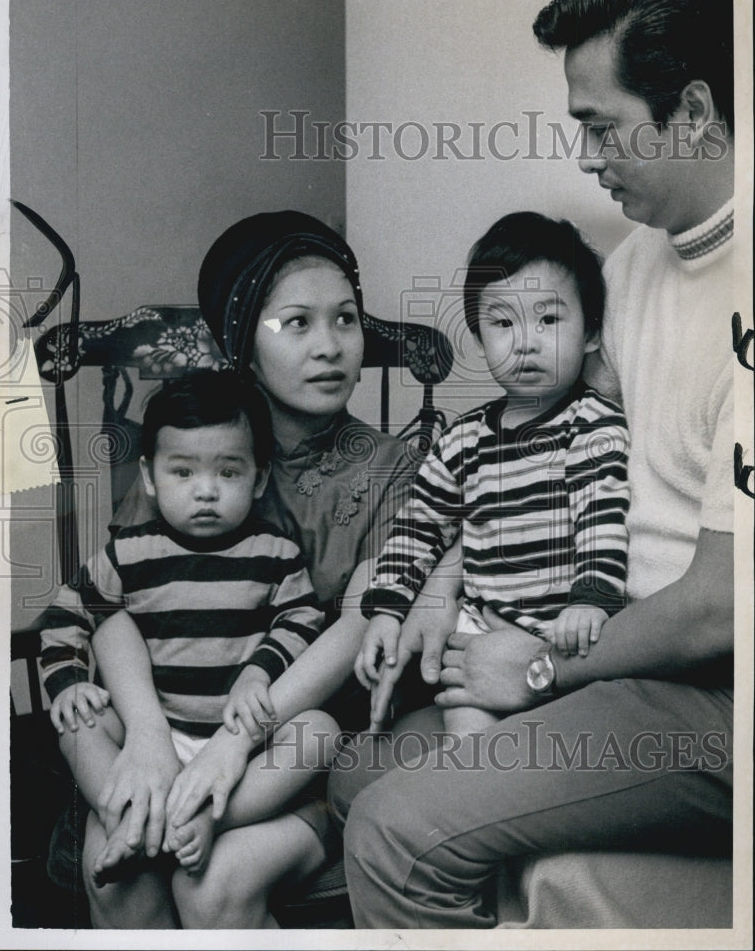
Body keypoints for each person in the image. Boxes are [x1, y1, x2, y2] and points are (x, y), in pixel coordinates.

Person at [330, 0, 735, 928]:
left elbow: (721, 607)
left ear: (694, 110)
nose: (585, 158)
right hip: (608, 649)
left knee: (393, 831)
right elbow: (538, 457)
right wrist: (440, 591)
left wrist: (542, 668)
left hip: (700, 688)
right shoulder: (633, 268)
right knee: (356, 774)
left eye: (601, 126)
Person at [49, 210, 417, 928]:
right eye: (296, 324)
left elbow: (358, 622)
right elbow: (117, 600)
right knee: (122, 884)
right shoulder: (197, 449)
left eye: (345, 320)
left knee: (211, 886)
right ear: (244, 340)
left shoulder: (392, 469)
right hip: (166, 722)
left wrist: (233, 746)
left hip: (296, 757)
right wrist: (151, 739)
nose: (330, 347)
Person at [40, 370, 339, 886]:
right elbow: (68, 611)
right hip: (155, 735)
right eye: (183, 473)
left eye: (228, 473)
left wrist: (258, 673)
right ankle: (128, 816)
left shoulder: (273, 554)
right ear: (151, 477)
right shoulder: (129, 555)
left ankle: (205, 816)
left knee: (319, 732)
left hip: (244, 747)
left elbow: (302, 618)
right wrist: (67, 681)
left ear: (259, 478)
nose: (206, 491)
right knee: (80, 725)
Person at [355, 212, 629, 739]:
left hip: (564, 633)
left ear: (592, 333)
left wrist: (591, 598)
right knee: (468, 735)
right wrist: (388, 610)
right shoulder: (462, 439)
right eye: (503, 324)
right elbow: (419, 527)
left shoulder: (592, 425)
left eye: (549, 321)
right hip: (478, 629)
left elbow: (602, 514)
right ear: (480, 338)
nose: (525, 342)